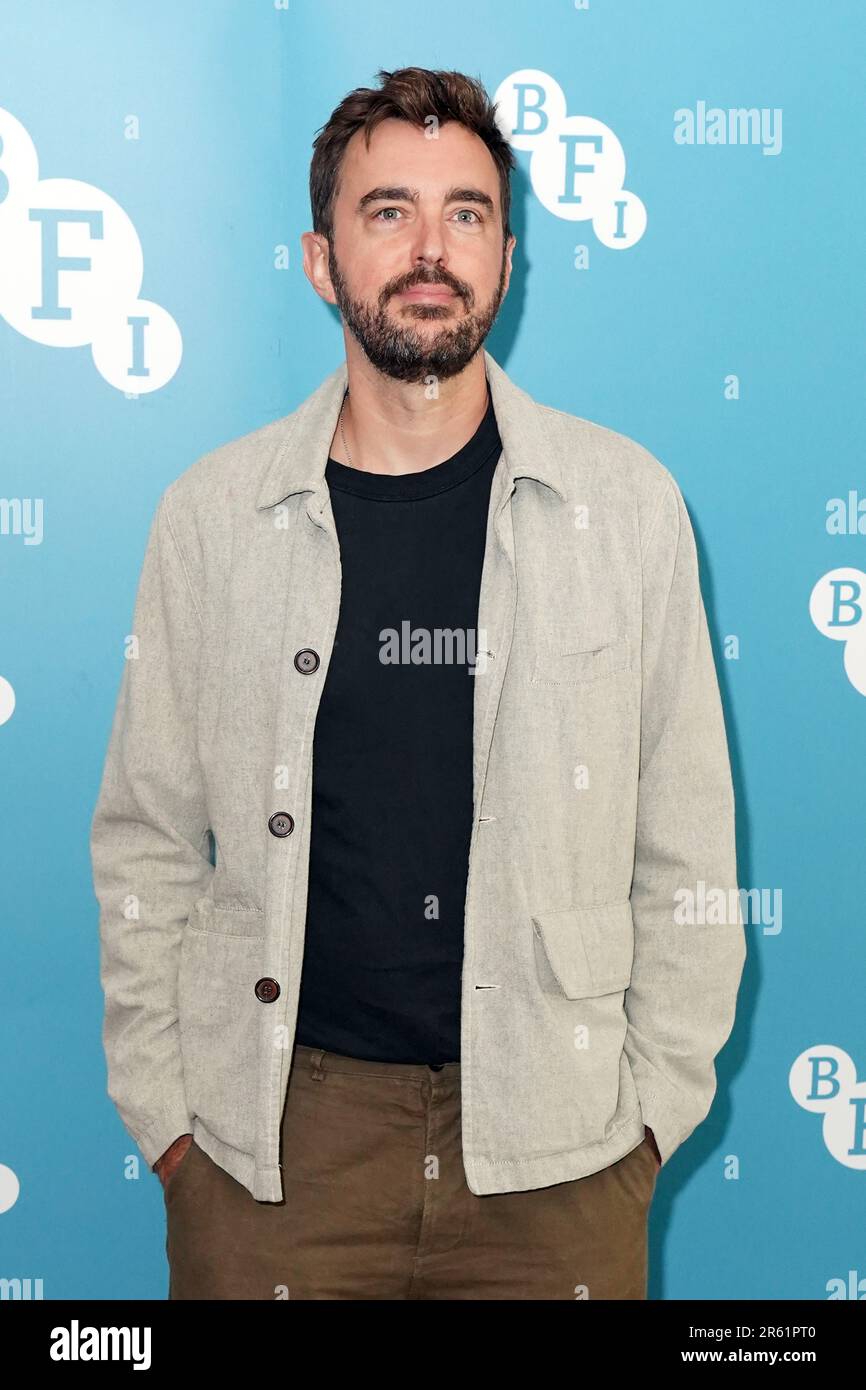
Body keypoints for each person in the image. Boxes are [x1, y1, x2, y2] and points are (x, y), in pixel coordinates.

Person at [90, 66, 746, 1300]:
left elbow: (689, 846)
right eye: (387, 211)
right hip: (272, 1152)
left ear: (508, 254)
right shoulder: (213, 517)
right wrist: (173, 1125)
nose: (430, 249)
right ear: (319, 258)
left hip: (561, 1154)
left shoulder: (628, 508)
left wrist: (649, 1120)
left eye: (467, 212)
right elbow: (148, 840)